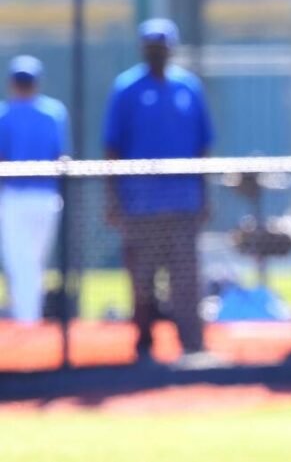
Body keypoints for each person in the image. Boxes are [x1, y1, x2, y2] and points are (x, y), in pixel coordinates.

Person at [103, 18, 214, 363]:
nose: (157, 53)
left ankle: (192, 345)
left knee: (186, 279)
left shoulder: (188, 87)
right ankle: (144, 346)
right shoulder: (126, 88)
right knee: (142, 279)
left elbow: (203, 146)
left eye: (162, 47)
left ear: (172, 49)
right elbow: (112, 147)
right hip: (140, 204)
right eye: (151, 47)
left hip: (183, 202)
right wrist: (112, 199)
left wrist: (205, 196)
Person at [0, 56, 67, 323]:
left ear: (12, 83)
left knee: (20, 262)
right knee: (36, 262)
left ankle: (26, 322)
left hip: (15, 196)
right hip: (48, 197)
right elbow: (61, 156)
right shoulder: (54, 112)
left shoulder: (5, 114)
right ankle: (31, 317)